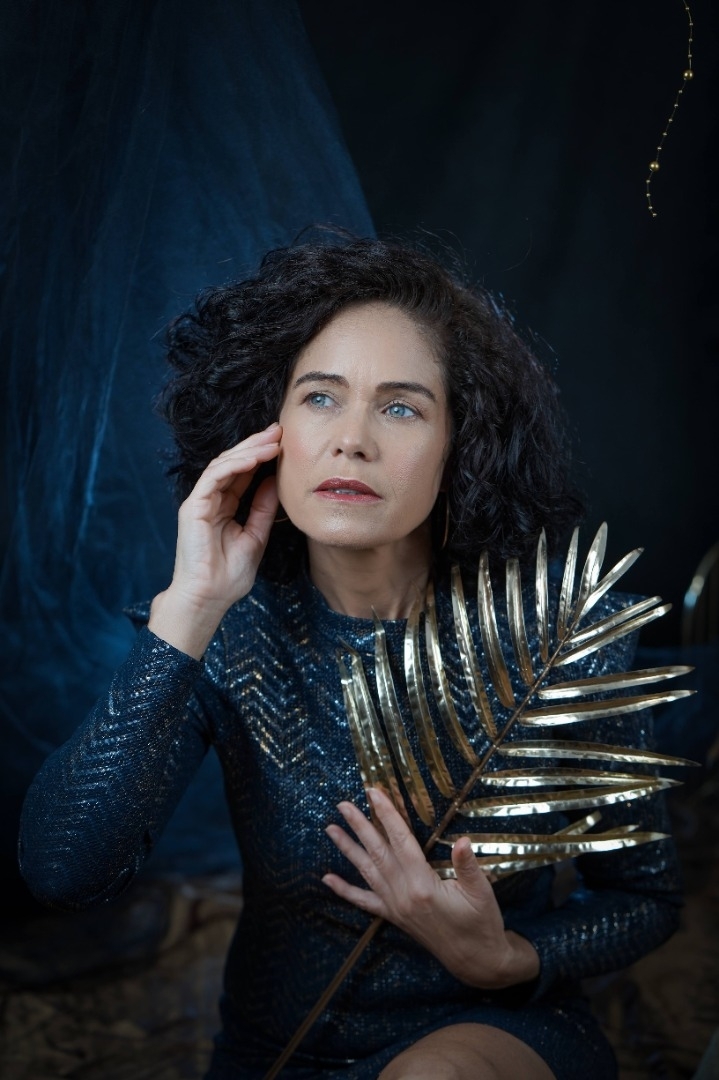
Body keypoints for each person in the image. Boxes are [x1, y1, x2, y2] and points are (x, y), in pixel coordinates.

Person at [18, 236, 682, 1080]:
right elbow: (62, 871)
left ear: (461, 442)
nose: (351, 441)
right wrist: (188, 610)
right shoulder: (233, 636)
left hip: (492, 1030)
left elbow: (644, 899)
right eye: (320, 397)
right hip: (277, 1051)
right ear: (269, 427)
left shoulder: (556, 641)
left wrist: (502, 958)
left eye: (400, 409)